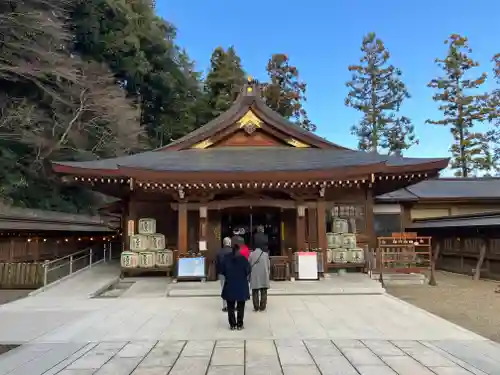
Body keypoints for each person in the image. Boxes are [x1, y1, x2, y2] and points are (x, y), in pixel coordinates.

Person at [220, 243, 250, 330]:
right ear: (239, 250)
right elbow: (248, 270)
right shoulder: (243, 259)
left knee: (230, 306)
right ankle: (240, 324)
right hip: (241, 285)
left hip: (230, 284)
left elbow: (222, 270)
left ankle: (232, 324)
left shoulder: (226, 258)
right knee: (241, 306)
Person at [248, 246, 270, 312]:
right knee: (264, 291)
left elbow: (248, 265)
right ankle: (262, 307)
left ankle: (256, 307)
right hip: (264, 275)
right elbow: (268, 266)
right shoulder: (266, 255)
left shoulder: (251, 254)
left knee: (255, 292)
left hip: (254, 275)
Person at [216, 237, 232, 312]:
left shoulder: (219, 252)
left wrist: (218, 272)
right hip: (232, 274)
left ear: (223, 243)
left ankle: (225, 306)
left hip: (222, 274)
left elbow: (217, 263)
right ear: (229, 243)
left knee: (223, 289)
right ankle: (232, 305)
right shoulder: (233, 251)